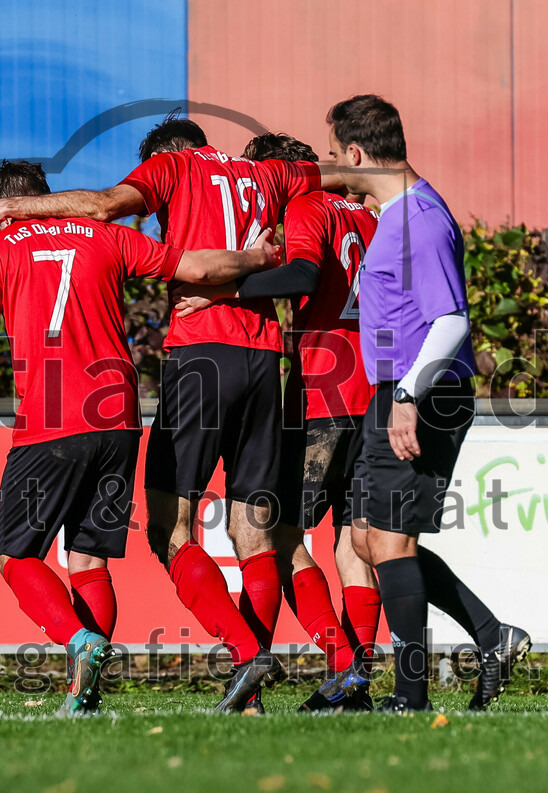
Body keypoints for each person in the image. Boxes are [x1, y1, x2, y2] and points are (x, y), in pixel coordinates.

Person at [0, 114, 346, 713]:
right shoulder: (260, 176)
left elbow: (102, 207)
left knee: (144, 532)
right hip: (239, 371)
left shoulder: (164, 173)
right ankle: (298, 676)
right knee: (254, 533)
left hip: (162, 372)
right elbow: (345, 176)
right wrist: (259, 261)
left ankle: (240, 656)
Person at [316, 95, 531, 712]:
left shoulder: (420, 221)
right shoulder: (393, 211)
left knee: (390, 543)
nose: (335, 165)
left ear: (356, 153)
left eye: (337, 155)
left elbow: (451, 321)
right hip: (397, 390)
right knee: (365, 539)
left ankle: (409, 697)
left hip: (423, 394)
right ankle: (494, 637)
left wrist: (408, 395)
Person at [174, 133, 381, 712]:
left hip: (322, 391)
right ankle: (353, 684)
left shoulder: (306, 205)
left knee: (282, 538)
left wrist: (226, 290)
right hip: (375, 390)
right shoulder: (368, 216)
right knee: (352, 540)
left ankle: (319, 670)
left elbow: (303, 277)